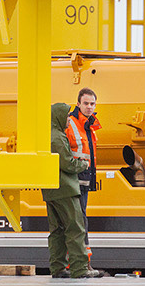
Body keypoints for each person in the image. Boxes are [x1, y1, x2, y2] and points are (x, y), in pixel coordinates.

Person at [45, 102, 97, 278]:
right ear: (59, 117)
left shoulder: (49, 135)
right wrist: (83, 165)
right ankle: (79, 269)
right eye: (66, 116)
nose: (69, 119)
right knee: (75, 228)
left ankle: (58, 268)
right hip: (65, 188)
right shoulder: (58, 137)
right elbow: (67, 163)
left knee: (57, 231)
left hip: (52, 189)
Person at [66, 88, 104, 276]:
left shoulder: (89, 125)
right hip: (74, 181)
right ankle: (80, 264)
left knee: (80, 221)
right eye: (86, 103)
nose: (89, 107)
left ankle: (79, 263)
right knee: (78, 222)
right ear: (78, 104)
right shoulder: (71, 123)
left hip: (83, 180)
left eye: (92, 104)